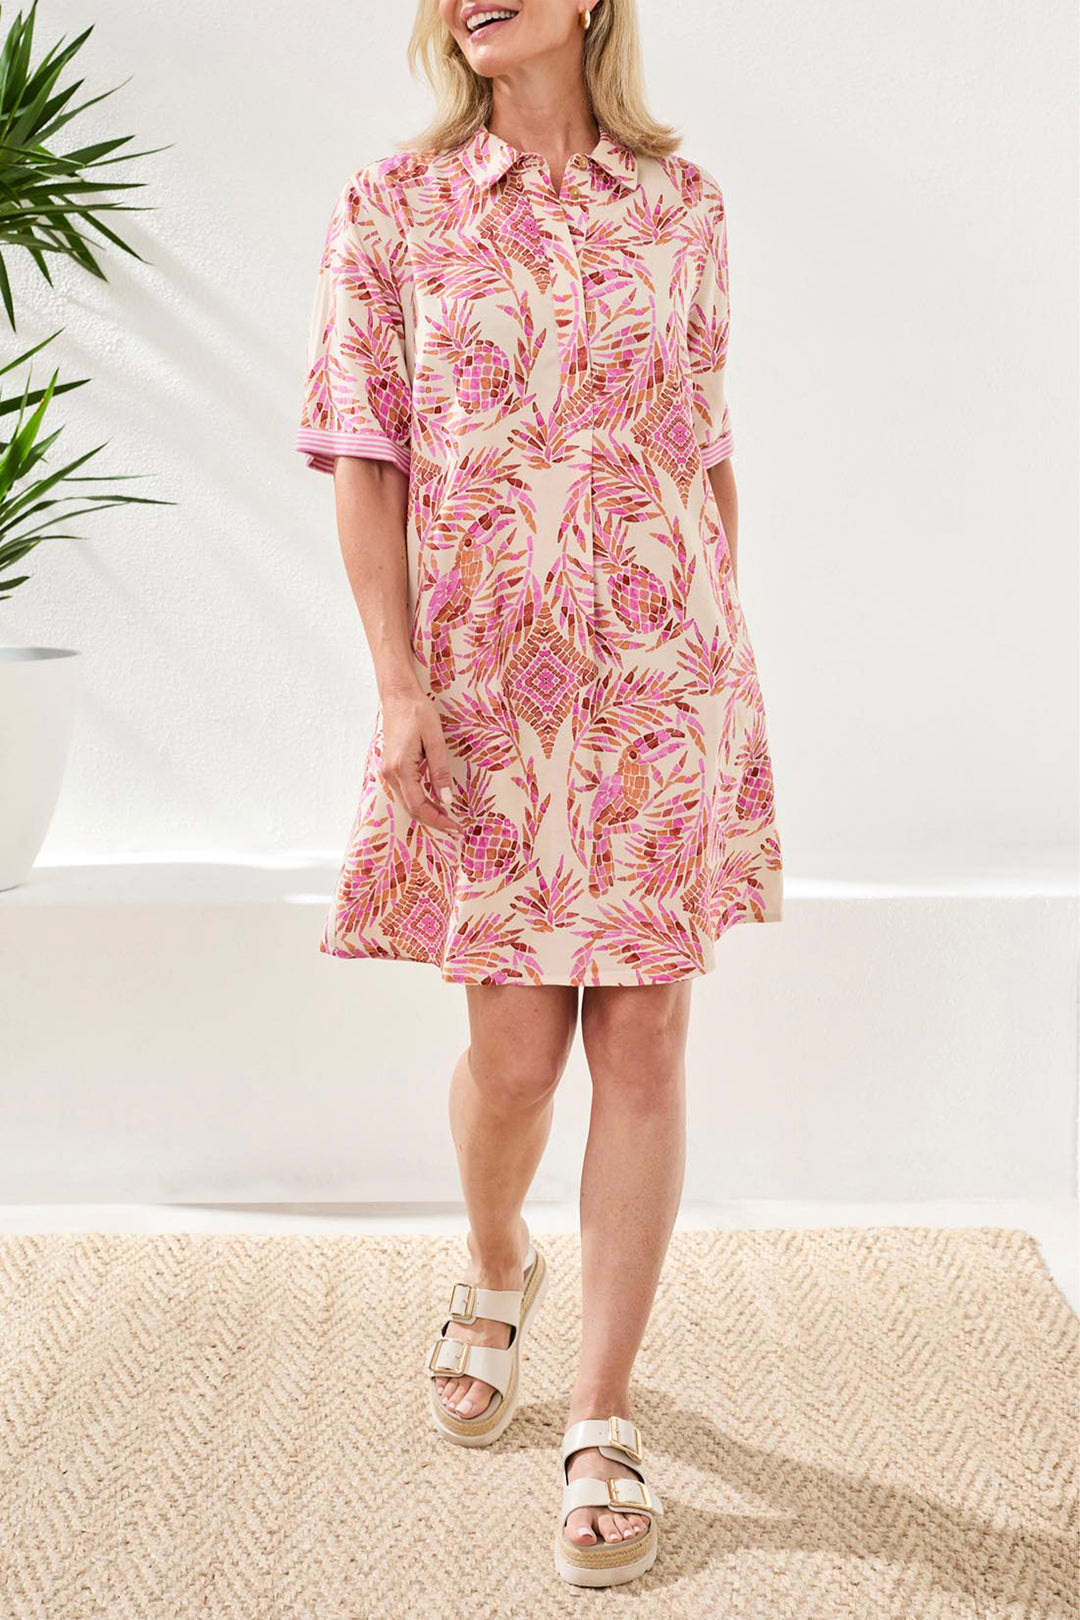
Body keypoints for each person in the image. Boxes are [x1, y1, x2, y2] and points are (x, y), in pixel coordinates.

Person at [296, 0, 783, 1588]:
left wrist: (716, 669)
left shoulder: (684, 205)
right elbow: (367, 454)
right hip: (486, 693)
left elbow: (704, 451)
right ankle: (495, 1266)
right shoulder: (394, 206)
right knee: (513, 1052)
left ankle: (599, 1411)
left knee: (643, 1033)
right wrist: (395, 686)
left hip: (662, 678)